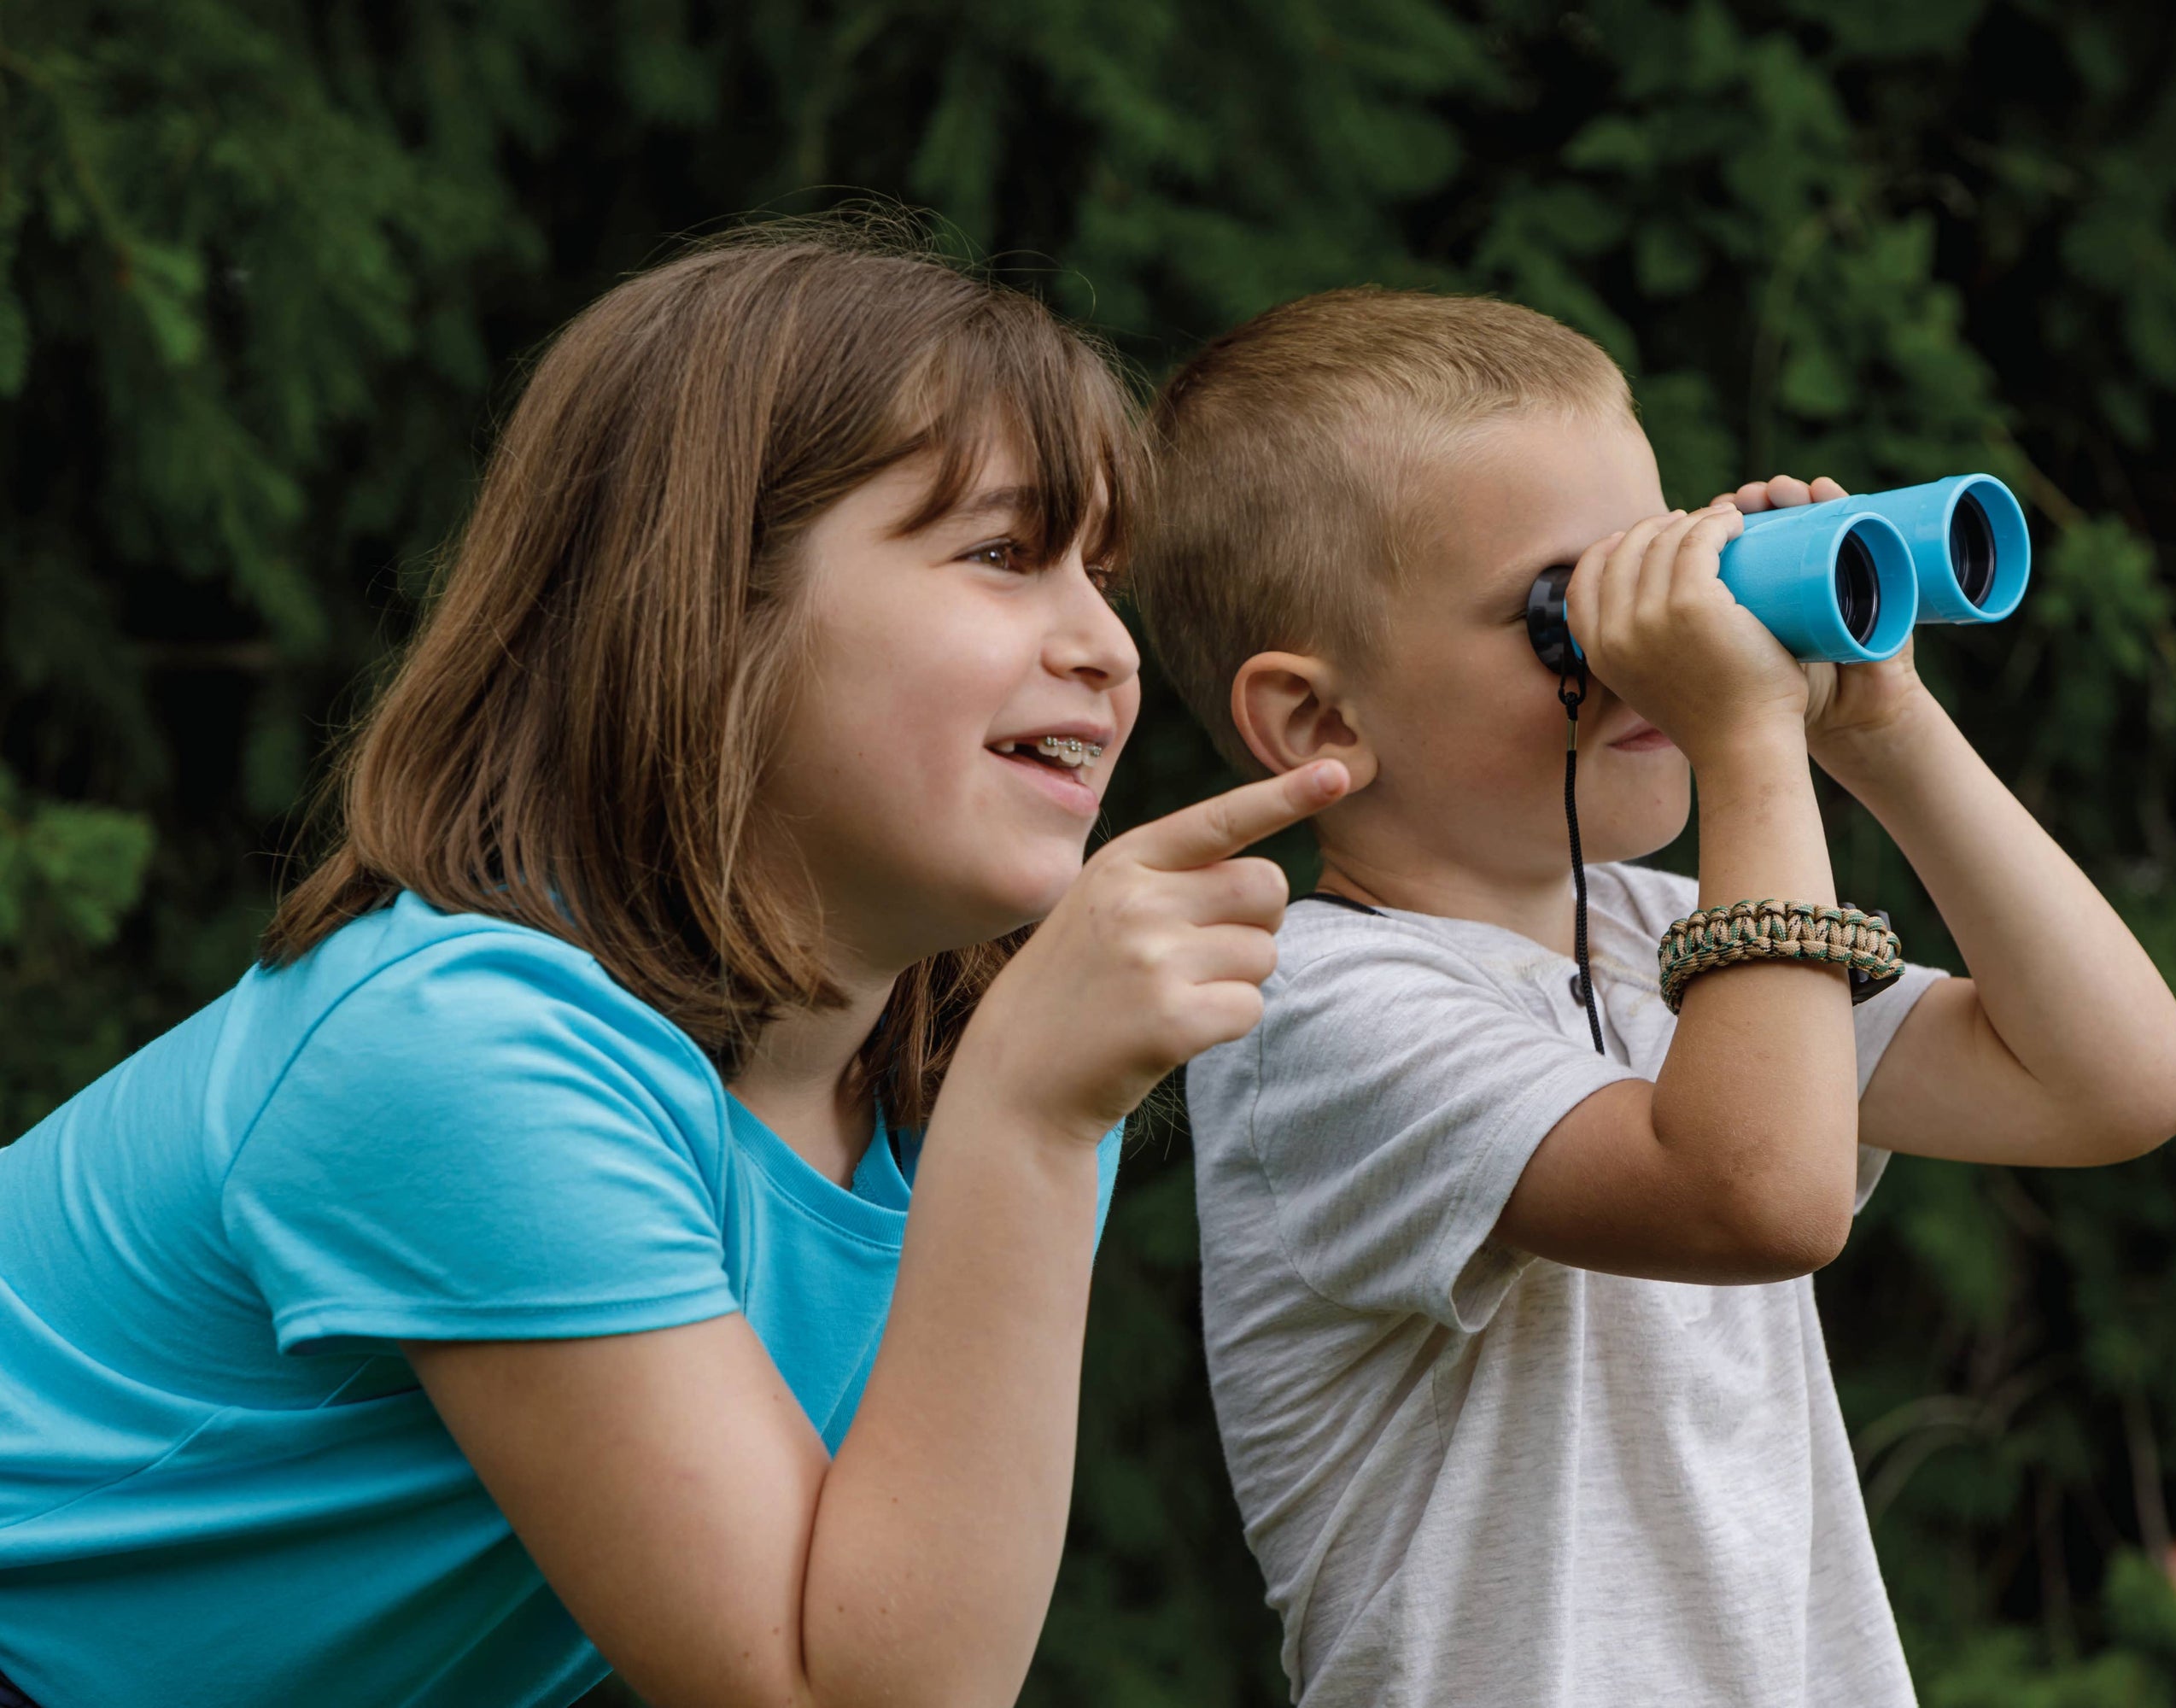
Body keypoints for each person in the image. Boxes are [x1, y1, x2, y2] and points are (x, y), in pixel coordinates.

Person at [0, 225, 1348, 1708]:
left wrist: (1024, 1120)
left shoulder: (980, 1088)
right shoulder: (464, 1048)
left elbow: (876, 1619)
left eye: (1106, 573)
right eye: (1005, 555)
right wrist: (1027, 1125)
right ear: (711, 603)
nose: (1106, 644)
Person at [1130, 287, 2176, 1706]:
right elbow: (1760, 1195)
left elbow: (2118, 1083)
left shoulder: (1666, 939)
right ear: (1320, 721)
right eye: (1567, 608)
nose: (1656, 640)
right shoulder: (1315, 1016)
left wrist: (1881, 725)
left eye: (1662, 567)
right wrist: (1754, 742)